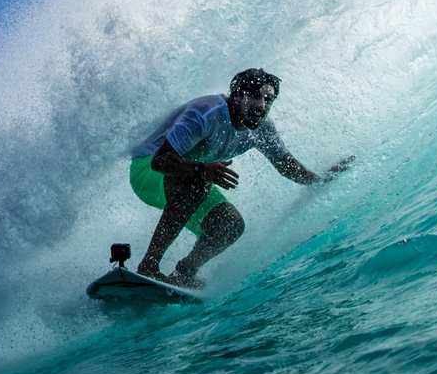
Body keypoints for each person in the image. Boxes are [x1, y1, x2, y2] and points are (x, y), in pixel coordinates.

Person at [129, 67, 344, 286]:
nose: (262, 105)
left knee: (230, 225)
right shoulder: (205, 113)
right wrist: (202, 170)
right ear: (238, 95)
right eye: (254, 96)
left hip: (193, 176)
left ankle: (185, 272)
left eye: (268, 99)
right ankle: (149, 267)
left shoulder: (262, 129)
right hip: (148, 169)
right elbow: (160, 160)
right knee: (196, 184)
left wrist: (320, 181)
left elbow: (286, 165)